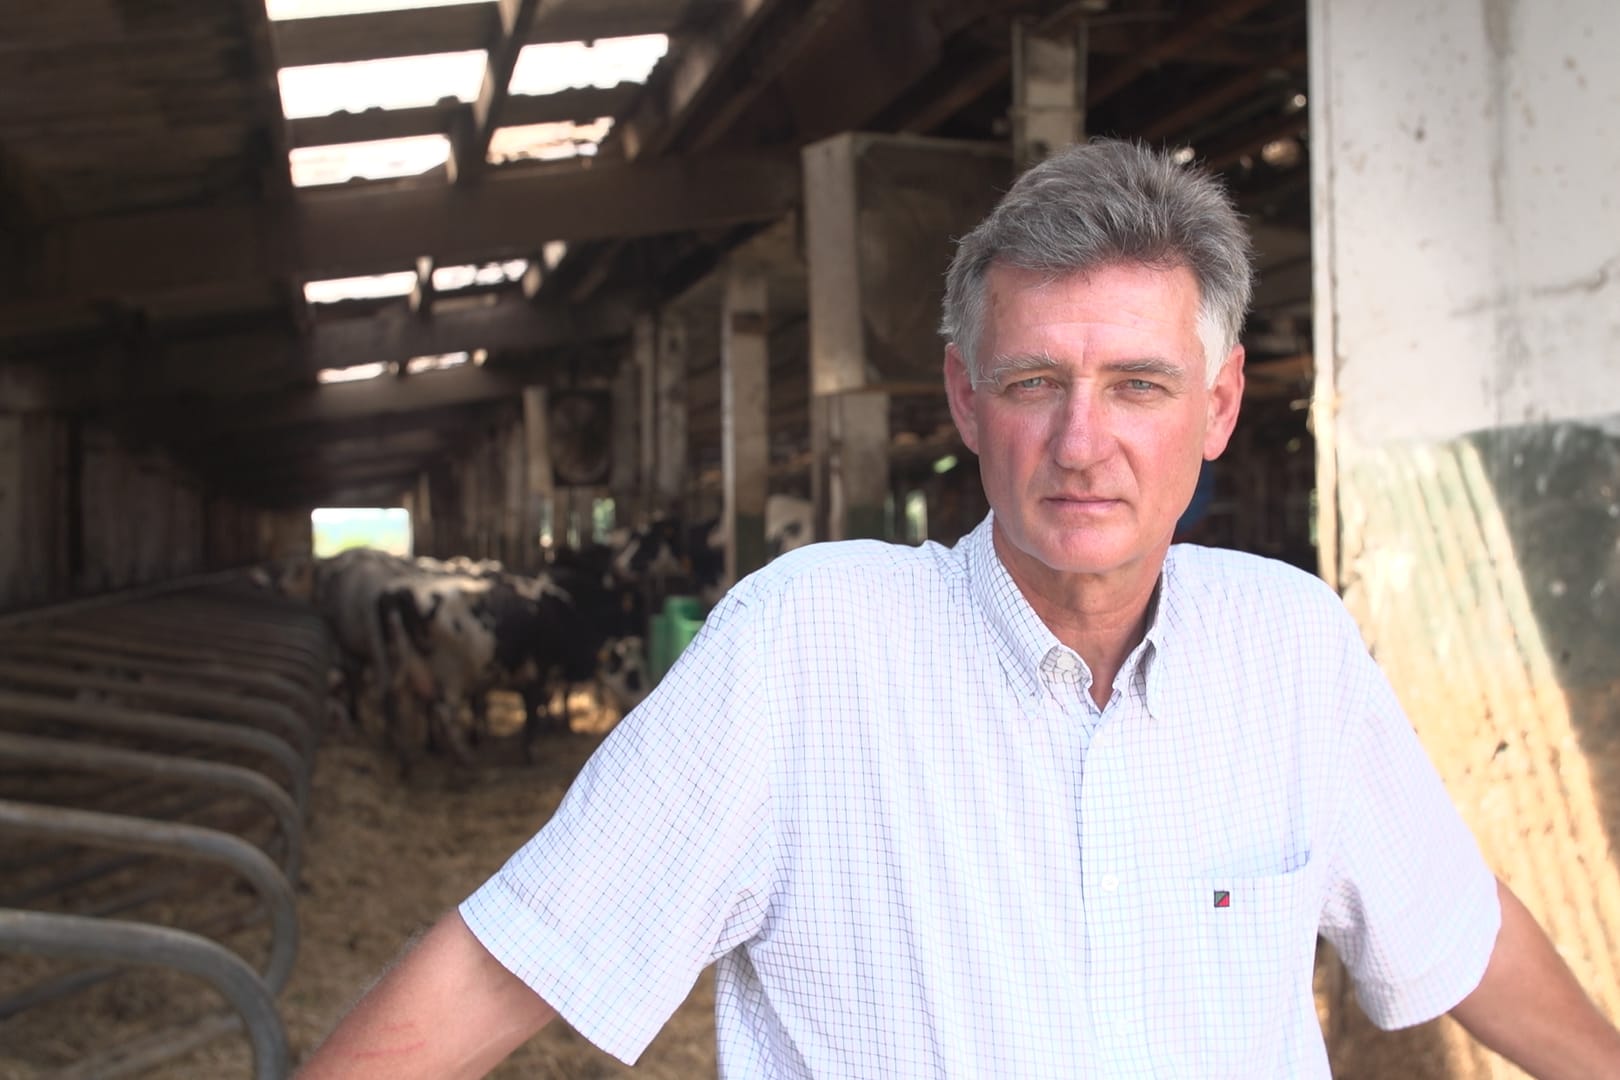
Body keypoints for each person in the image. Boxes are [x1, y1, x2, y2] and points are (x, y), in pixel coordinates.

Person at [296, 139, 1620, 1078]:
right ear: (965, 401)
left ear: (1219, 411)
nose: (1083, 442)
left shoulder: (1294, 645)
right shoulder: (806, 650)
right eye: (1038, 380)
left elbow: (1460, 925)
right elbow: (509, 957)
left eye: (1142, 386)